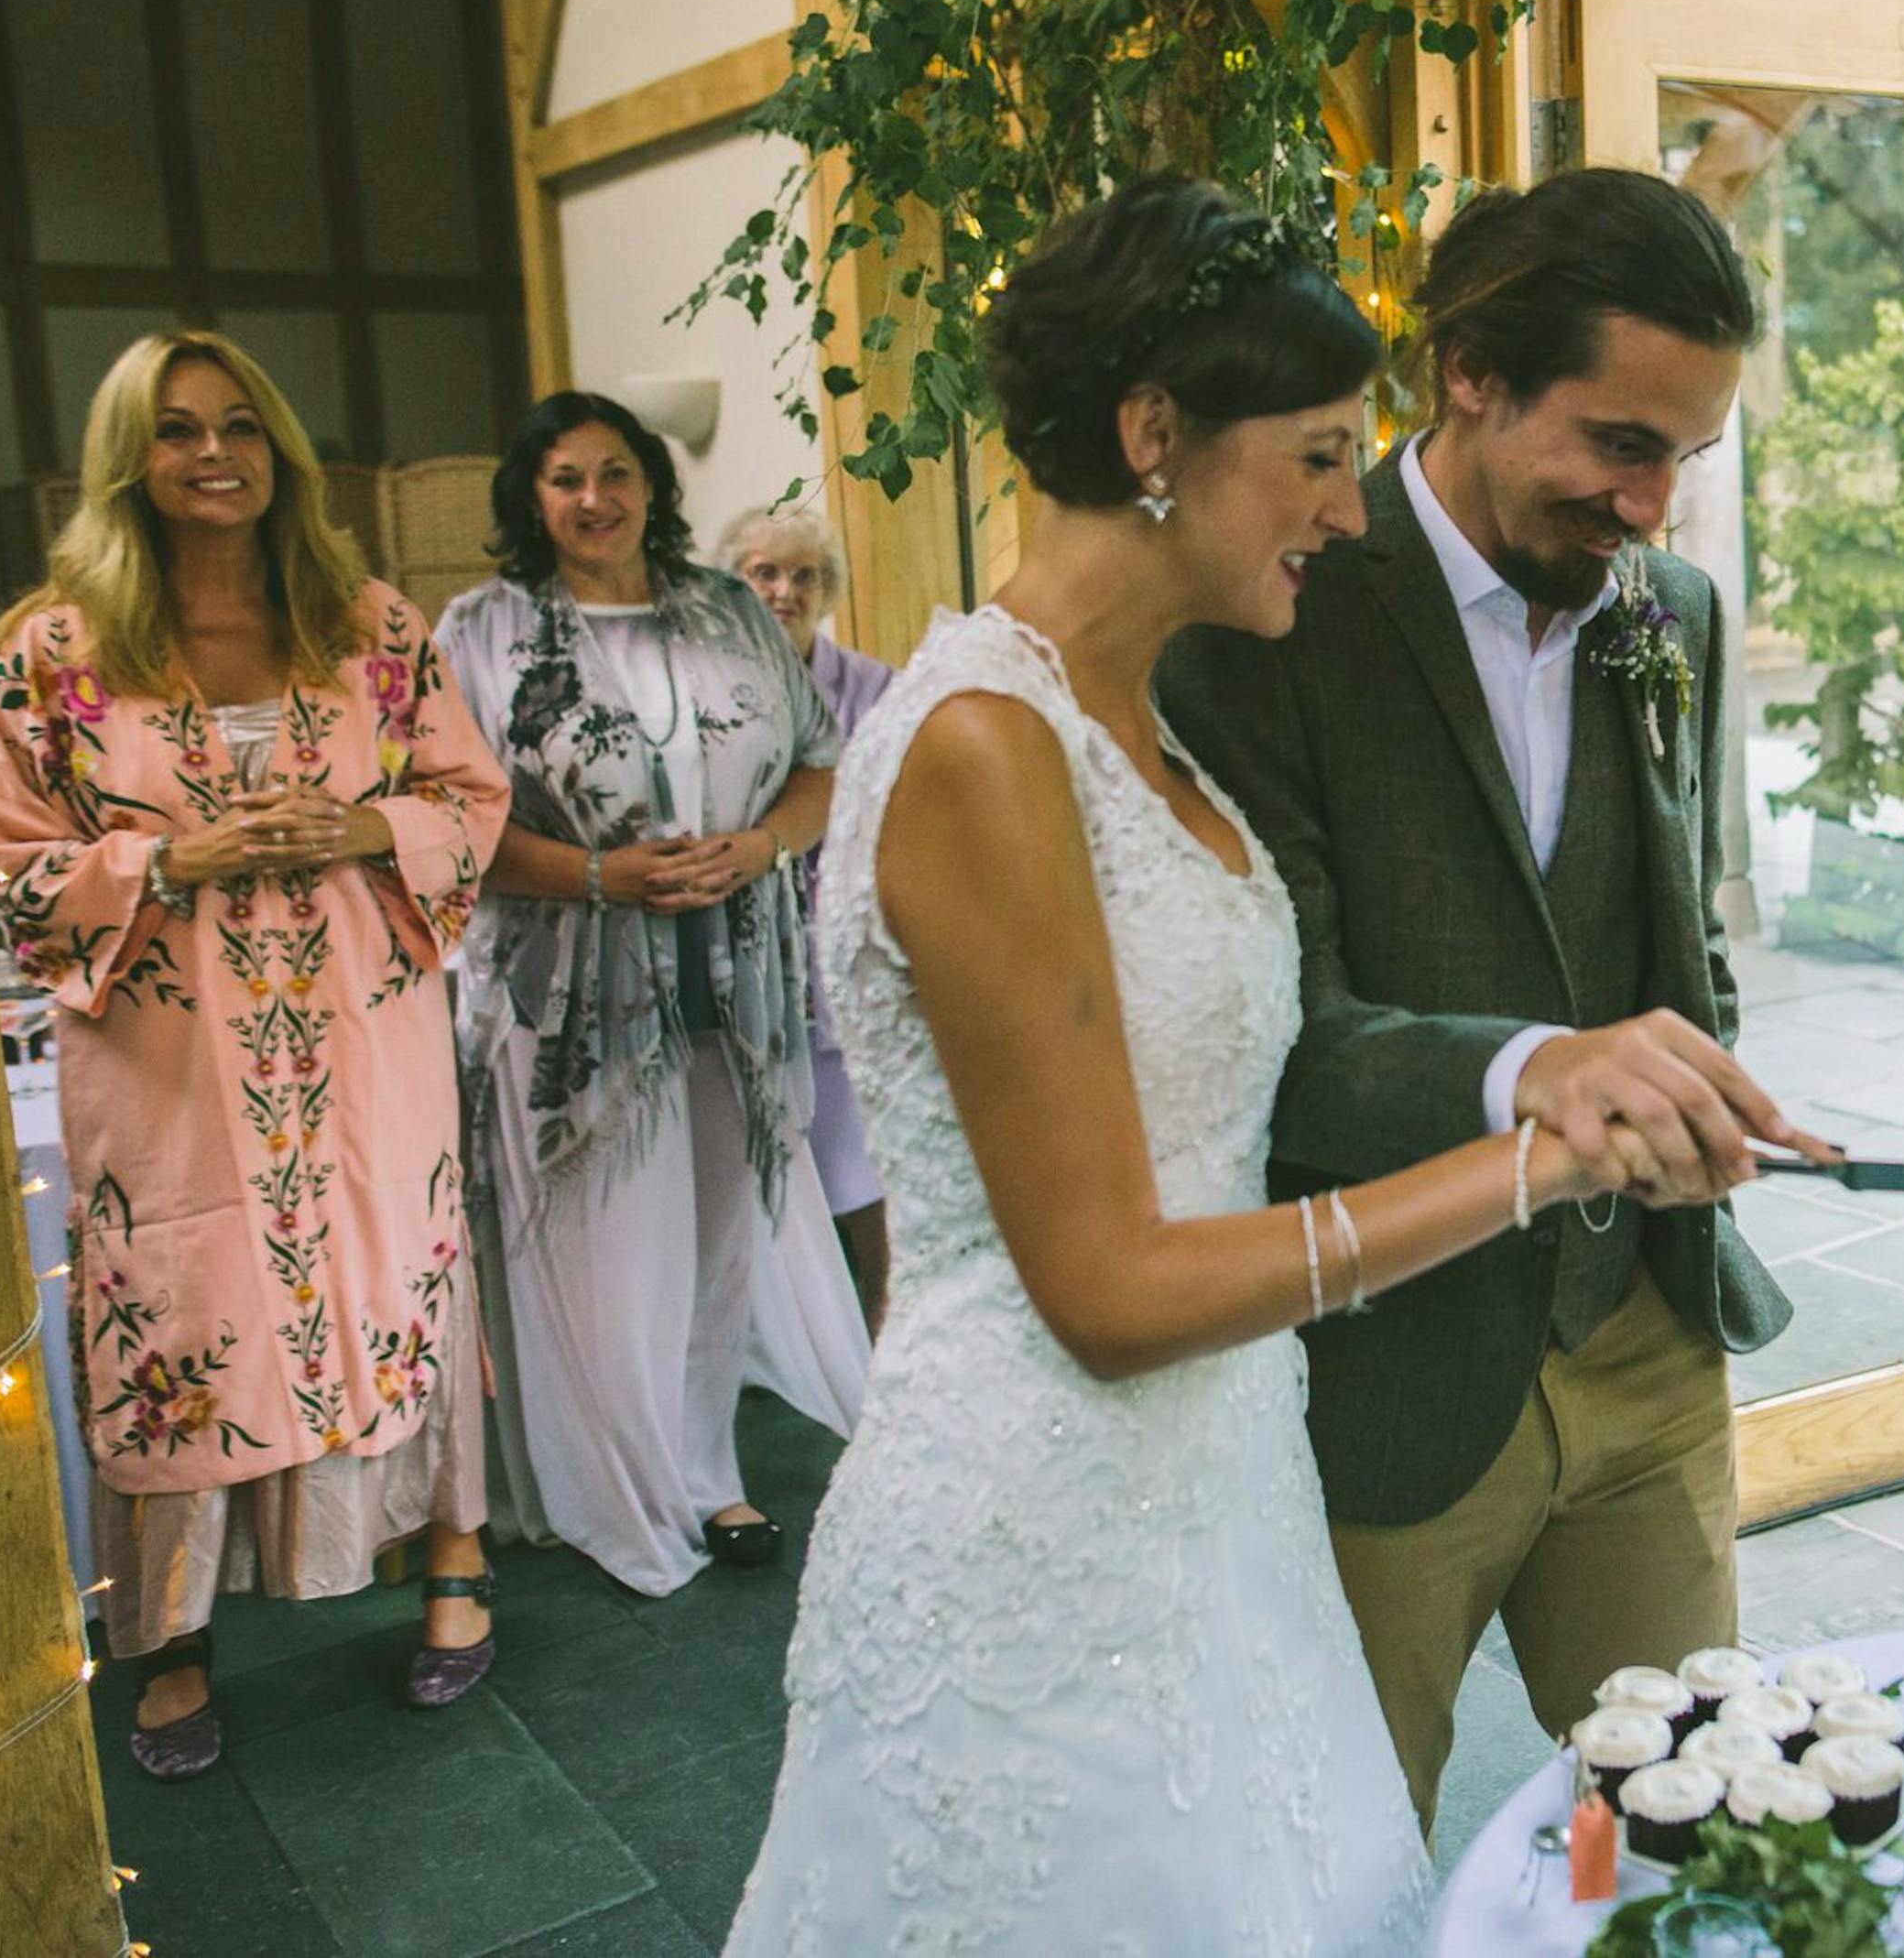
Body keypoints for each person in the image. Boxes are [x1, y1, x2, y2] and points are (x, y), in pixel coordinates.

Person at [722, 176, 1823, 1955]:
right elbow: (1115, 1264)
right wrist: (1542, 1129)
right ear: (1157, 433)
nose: (1339, 501)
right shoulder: (1051, 726)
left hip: (1303, 1444)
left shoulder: (1160, 707)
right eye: (1316, 453)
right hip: (1145, 1472)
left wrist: (1685, 1102)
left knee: (1649, 1831)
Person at [1158, 165, 1793, 1823]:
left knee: (1696, 1837)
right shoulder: (1264, 620)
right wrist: (1545, 1071)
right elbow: (1271, 1045)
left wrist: (1699, 1094)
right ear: (1471, 377)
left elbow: (1684, 941)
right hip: (1395, 1372)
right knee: (1352, 1857)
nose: (1651, 505)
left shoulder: (1675, 615)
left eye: (1686, 457)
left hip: (1649, 1341)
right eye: (1620, 443)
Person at [0, 332, 513, 1779]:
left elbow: (470, 791)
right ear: (128, 459)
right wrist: (168, 855)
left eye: (240, 428)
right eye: (177, 430)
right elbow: (7, 867)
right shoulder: (54, 653)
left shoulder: (375, 624)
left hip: (366, 1032)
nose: (215, 455)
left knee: (395, 1264)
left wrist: (367, 826)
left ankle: (452, 1555)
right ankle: (173, 1635)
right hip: (167, 1055)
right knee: (183, 1295)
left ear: (280, 449)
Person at [436, 395, 867, 1598]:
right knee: (605, 1246)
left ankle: (707, 1468)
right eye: (564, 476)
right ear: (531, 496)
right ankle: (610, 1485)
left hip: (738, 973)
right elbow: (454, 815)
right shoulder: (482, 628)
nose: (593, 497)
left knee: (721, 1233)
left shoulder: (728, 609)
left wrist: (762, 848)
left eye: (615, 472)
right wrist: (594, 874)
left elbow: (825, 761)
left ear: (649, 488)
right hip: (570, 992)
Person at [717, 507, 893, 1333]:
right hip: (734, 948)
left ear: (829, 590)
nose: (784, 590)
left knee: (863, 1172)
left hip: (841, 945)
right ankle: (768, 1349)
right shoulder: (705, 689)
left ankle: (887, 1328)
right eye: (764, 572)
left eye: (804, 576)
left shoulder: (873, 689)